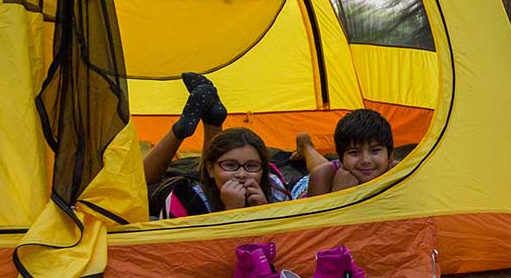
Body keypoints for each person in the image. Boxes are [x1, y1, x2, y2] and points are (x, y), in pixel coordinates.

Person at [144, 73, 299, 219]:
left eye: (251, 166)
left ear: (264, 169)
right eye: (231, 166)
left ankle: (203, 125)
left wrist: (264, 211)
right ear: (211, 169)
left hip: (208, 176)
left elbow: (282, 240)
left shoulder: (273, 187)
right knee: (141, 189)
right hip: (179, 189)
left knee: (140, 186)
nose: (241, 175)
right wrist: (231, 213)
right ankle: (194, 127)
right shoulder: (186, 198)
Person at [303, 109, 399, 197]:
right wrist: (339, 194)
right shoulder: (323, 175)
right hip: (303, 191)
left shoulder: (402, 172)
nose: (366, 160)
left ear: (390, 155)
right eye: (354, 152)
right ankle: (306, 146)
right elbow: (318, 216)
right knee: (321, 166)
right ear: (341, 159)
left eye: (375, 151)